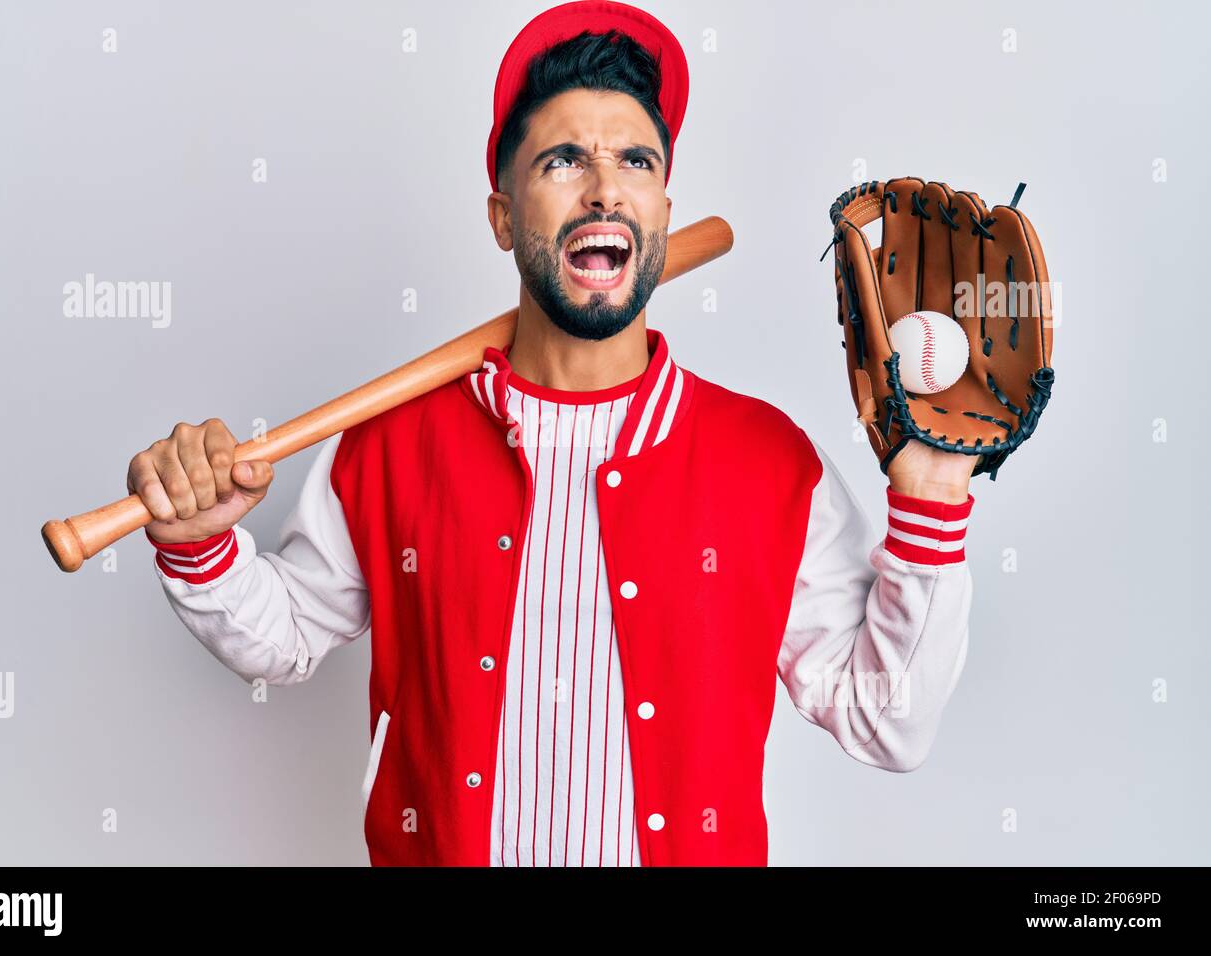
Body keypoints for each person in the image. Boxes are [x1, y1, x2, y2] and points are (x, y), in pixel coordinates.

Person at [127, 0, 977, 866]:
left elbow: (888, 723)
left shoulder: (770, 464)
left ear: (660, 207)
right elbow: (283, 638)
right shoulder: (389, 445)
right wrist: (199, 544)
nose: (605, 186)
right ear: (502, 216)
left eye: (635, 161)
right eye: (565, 158)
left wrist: (935, 493)